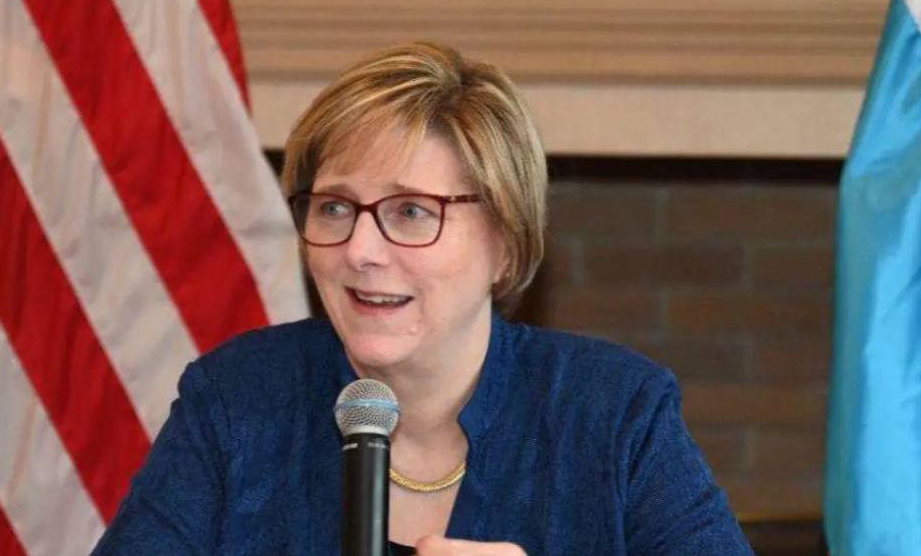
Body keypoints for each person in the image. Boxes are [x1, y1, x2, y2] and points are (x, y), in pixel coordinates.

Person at [93, 42, 753, 555]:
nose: (360, 250)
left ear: (506, 242)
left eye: (411, 211)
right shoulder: (237, 400)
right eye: (334, 207)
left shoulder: (613, 414)